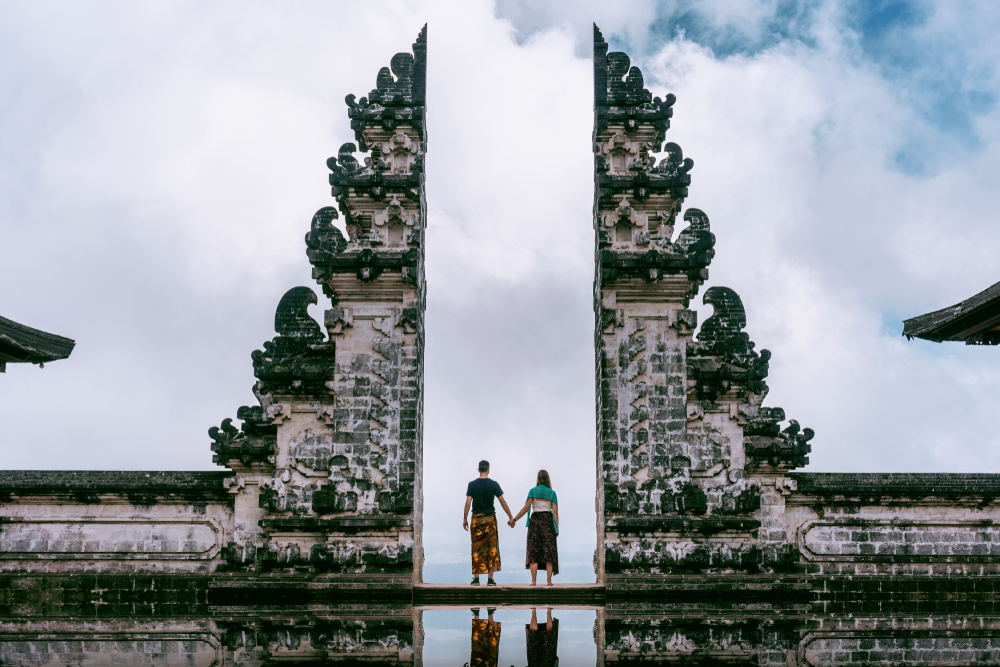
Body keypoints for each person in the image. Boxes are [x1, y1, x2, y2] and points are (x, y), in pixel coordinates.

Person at [464, 460, 514, 586]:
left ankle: (476, 578)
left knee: (476, 547)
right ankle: (490, 579)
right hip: (490, 520)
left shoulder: (472, 484)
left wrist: (465, 518)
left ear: (478, 469)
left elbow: (468, 503)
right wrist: (510, 516)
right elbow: (503, 502)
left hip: (476, 519)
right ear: (488, 470)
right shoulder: (494, 484)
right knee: (492, 548)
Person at [509, 469, 559, 586]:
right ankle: (549, 581)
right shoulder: (552, 493)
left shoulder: (533, 491)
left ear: (538, 479)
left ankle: (533, 581)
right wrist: (556, 528)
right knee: (549, 553)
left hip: (535, 522)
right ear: (548, 479)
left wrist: (514, 519)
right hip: (548, 522)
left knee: (533, 552)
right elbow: (555, 512)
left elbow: (526, 508)